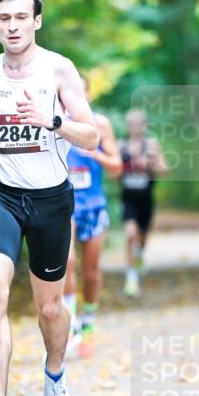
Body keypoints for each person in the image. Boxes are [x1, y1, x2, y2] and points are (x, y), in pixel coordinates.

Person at [0, 0, 98, 396]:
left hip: (50, 199)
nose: (13, 26)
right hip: (0, 193)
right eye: (5, 18)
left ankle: (55, 374)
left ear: (36, 20)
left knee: (48, 308)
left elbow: (92, 137)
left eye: (22, 17)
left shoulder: (59, 70)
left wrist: (51, 120)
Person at [64, 79, 122, 356]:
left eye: (80, 92)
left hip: (94, 207)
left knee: (91, 270)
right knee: (67, 262)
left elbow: (117, 168)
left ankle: (88, 320)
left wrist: (95, 153)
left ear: (87, 94)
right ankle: (69, 325)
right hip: (64, 206)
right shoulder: (53, 123)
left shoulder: (100, 124)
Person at [119, 108, 167, 297]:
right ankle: (131, 281)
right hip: (128, 197)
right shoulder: (120, 145)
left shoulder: (152, 145)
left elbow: (164, 169)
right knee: (130, 235)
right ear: (128, 126)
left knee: (143, 238)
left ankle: (139, 257)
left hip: (146, 197)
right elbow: (112, 170)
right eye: (132, 124)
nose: (135, 128)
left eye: (139, 124)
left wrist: (150, 164)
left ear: (144, 126)